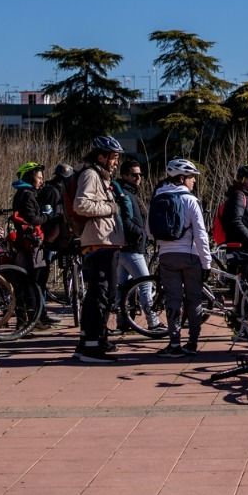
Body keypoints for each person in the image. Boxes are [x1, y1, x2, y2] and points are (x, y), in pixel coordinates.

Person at [72, 136, 126, 362]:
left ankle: (93, 339)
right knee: (100, 294)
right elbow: (81, 204)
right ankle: (91, 347)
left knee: (102, 293)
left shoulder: (99, 176)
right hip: (98, 242)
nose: (116, 162)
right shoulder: (91, 175)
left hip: (105, 241)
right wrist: (110, 208)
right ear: (101, 157)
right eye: (113, 157)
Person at [152, 157, 212, 355]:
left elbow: (149, 230)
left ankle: (174, 344)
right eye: (191, 177)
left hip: (166, 256)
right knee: (194, 299)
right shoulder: (191, 200)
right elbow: (201, 234)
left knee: (173, 300)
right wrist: (206, 263)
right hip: (190, 255)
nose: (194, 180)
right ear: (181, 178)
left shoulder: (157, 198)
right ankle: (192, 343)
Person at [114, 159, 160, 334]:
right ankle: (153, 322)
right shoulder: (125, 195)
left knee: (123, 287)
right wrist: (141, 233)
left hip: (123, 248)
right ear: (124, 175)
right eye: (134, 175)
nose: (138, 178)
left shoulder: (127, 193)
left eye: (140, 174)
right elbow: (126, 221)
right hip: (132, 248)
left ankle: (122, 322)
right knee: (145, 284)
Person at [9, 164, 53, 325]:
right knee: (32, 282)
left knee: (26, 282)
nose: (41, 181)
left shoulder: (22, 193)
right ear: (30, 178)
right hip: (31, 243)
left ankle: (25, 321)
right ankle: (33, 320)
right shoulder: (27, 195)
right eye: (39, 177)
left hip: (24, 242)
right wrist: (47, 215)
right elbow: (33, 219)